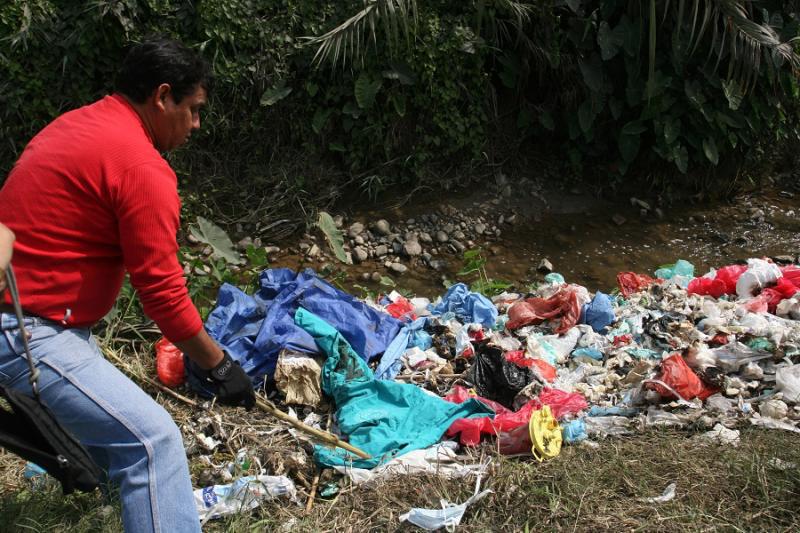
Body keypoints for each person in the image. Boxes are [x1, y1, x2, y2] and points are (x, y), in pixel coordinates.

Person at [0, 38, 254, 533]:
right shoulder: (140, 165)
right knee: (153, 443)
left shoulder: (78, 123)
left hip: (33, 319)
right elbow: (161, 292)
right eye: (194, 109)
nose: (196, 125)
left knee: (110, 432)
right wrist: (218, 364)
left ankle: (102, 492)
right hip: (26, 332)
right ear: (163, 97)